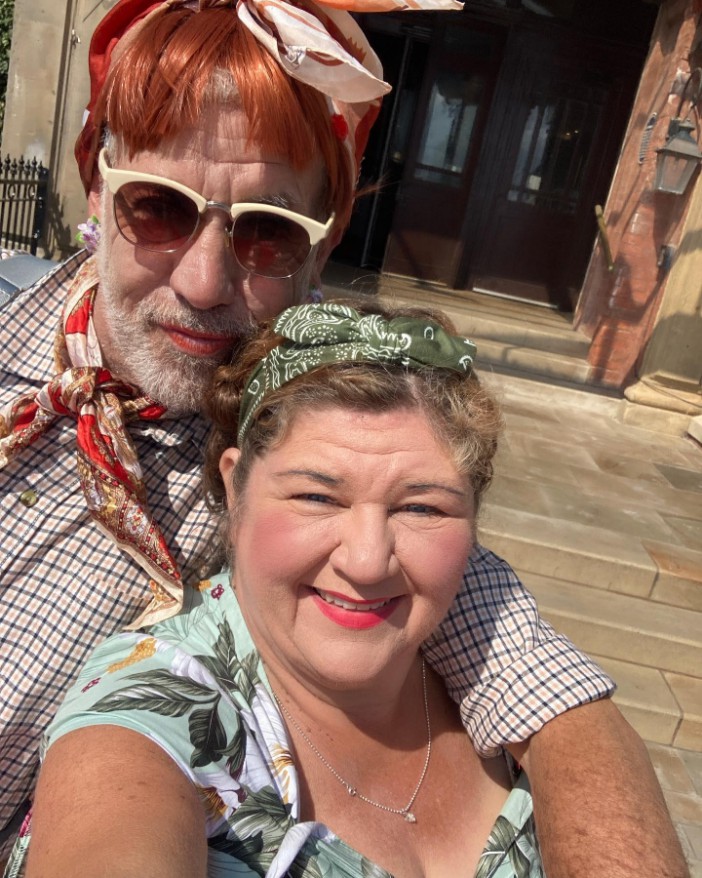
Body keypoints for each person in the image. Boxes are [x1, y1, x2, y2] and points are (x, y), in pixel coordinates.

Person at [0, 1, 686, 875]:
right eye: (159, 209)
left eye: (267, 232)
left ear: (321, 246)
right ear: (95, 186)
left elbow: (546, 694)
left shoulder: (318, 421)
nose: (207, 282)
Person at [17, 302, 546, 876]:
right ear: (234, 486)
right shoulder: (151, 710)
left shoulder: (498, 664)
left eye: (422, 506)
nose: (367, 562)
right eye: (316, 497)